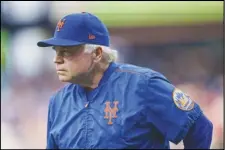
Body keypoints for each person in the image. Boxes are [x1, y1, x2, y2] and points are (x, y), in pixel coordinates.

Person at [37, 12, 213, 149]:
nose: (57, 59)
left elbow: (198, 127)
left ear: (97, 53)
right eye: (56, 51)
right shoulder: (58, 102)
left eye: (66, 51)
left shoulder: (143, 85)